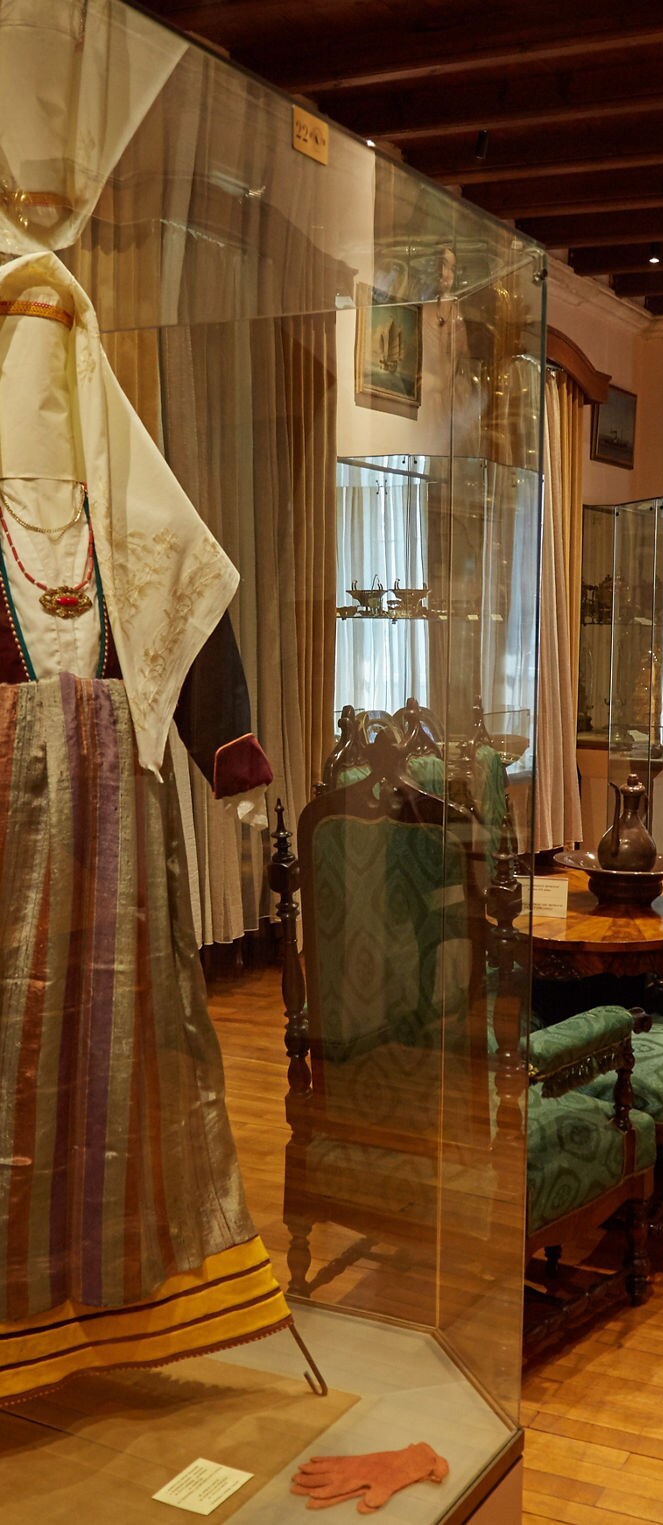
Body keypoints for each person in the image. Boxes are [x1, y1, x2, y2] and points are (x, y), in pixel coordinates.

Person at [0, 252, 289, 1404]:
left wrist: (235, 760)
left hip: (122, 833)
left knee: (129, 1050)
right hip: (8, 845)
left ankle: (124, 1291)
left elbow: (200, 612)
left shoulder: (133, 524)